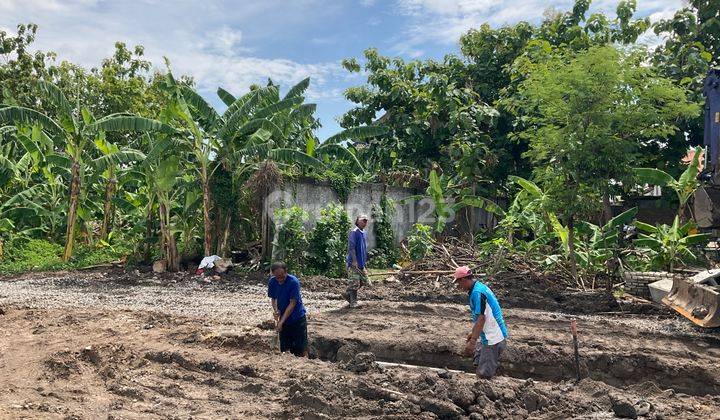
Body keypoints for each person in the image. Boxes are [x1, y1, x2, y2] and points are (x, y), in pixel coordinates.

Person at [454, 266, 508, 379]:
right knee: (478, 362)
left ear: (464, 279)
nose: (459, 287)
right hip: (489, 336)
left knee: (483, 376)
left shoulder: (477, 293)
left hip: (493, 339)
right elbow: (482, 316)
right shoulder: (478, 288)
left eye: (459, 283)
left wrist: (473, 341)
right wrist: (472, 334)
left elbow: (481, 319)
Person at [267, 261, 308, 357]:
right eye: (277, 277)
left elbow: (292, 303)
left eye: (282, 276)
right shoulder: (272, 282)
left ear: (286, 272)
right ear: (273, 274)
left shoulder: (293, 282)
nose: (280, 279)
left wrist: (281, 322)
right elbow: (273, 299)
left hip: (297, 318)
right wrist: (276, 310)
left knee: (301, 348)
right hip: (284, 319)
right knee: (285, 348)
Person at [344, 214, 369, 306]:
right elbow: (351, 247)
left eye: (366, 221)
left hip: (361, 263)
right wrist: (354, 261)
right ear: (358, 221)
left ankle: (347, 294)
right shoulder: (354, 232)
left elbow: (363, 249)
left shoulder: (363, 232)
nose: (365, 222)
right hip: (354, 263)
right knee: (354, 284)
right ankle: (353, 302)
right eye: (363, 220)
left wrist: (364, 262)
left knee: (365, 282)